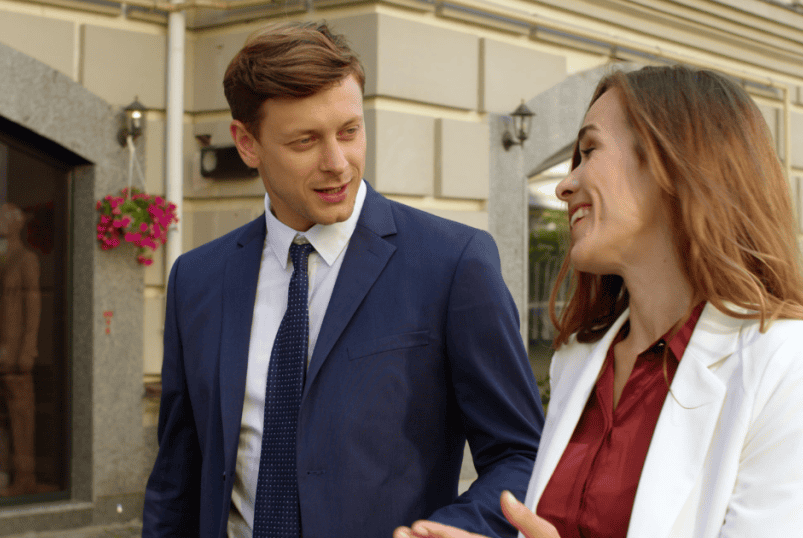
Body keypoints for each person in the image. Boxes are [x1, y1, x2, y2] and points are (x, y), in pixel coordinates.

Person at [395, 65, 803, 538]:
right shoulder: (578, 361)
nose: (566, 185)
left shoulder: (790, 360)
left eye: (589, 151)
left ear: (672, 164)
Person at [141, 21, 544, 538]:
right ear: (247, 144)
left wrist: (455, 529)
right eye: (305, 140)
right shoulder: (196, 279)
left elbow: (522, 453)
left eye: (350, 131)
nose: (338, 164)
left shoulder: (453, 263)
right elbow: (176, 477)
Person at [0, 203, 41, 498]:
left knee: (21, 419)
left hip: (16, 355)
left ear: (18, 223)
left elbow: (33, 307)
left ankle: (24, 479)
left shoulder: (26, 259)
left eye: (6, 216)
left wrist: (28, 350)